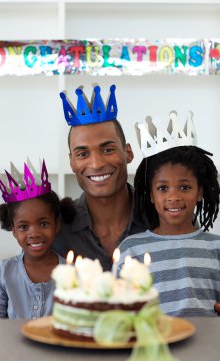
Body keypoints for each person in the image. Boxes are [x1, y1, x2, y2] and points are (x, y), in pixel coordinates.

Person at [117, 143, 220, 317]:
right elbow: (118, 309)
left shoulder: (216, 247)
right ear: (151, 194)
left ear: (199, 192)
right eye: (163, 188)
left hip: (208, 342)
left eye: (185, 187)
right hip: (155, 342)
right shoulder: (131, 249)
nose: (173, 197)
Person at [52, 84, 147, 271]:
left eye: (108, 149)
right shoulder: (57, 228)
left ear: (128, 152)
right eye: (82, 154)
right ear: (71, 162)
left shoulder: (164, 215)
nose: (96, 164)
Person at [0, 160, 66, 319]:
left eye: (43, 223)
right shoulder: (4, 271)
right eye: (23, 227)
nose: (34, 233)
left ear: (56, 225)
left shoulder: (72, 271)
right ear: (13, 230)